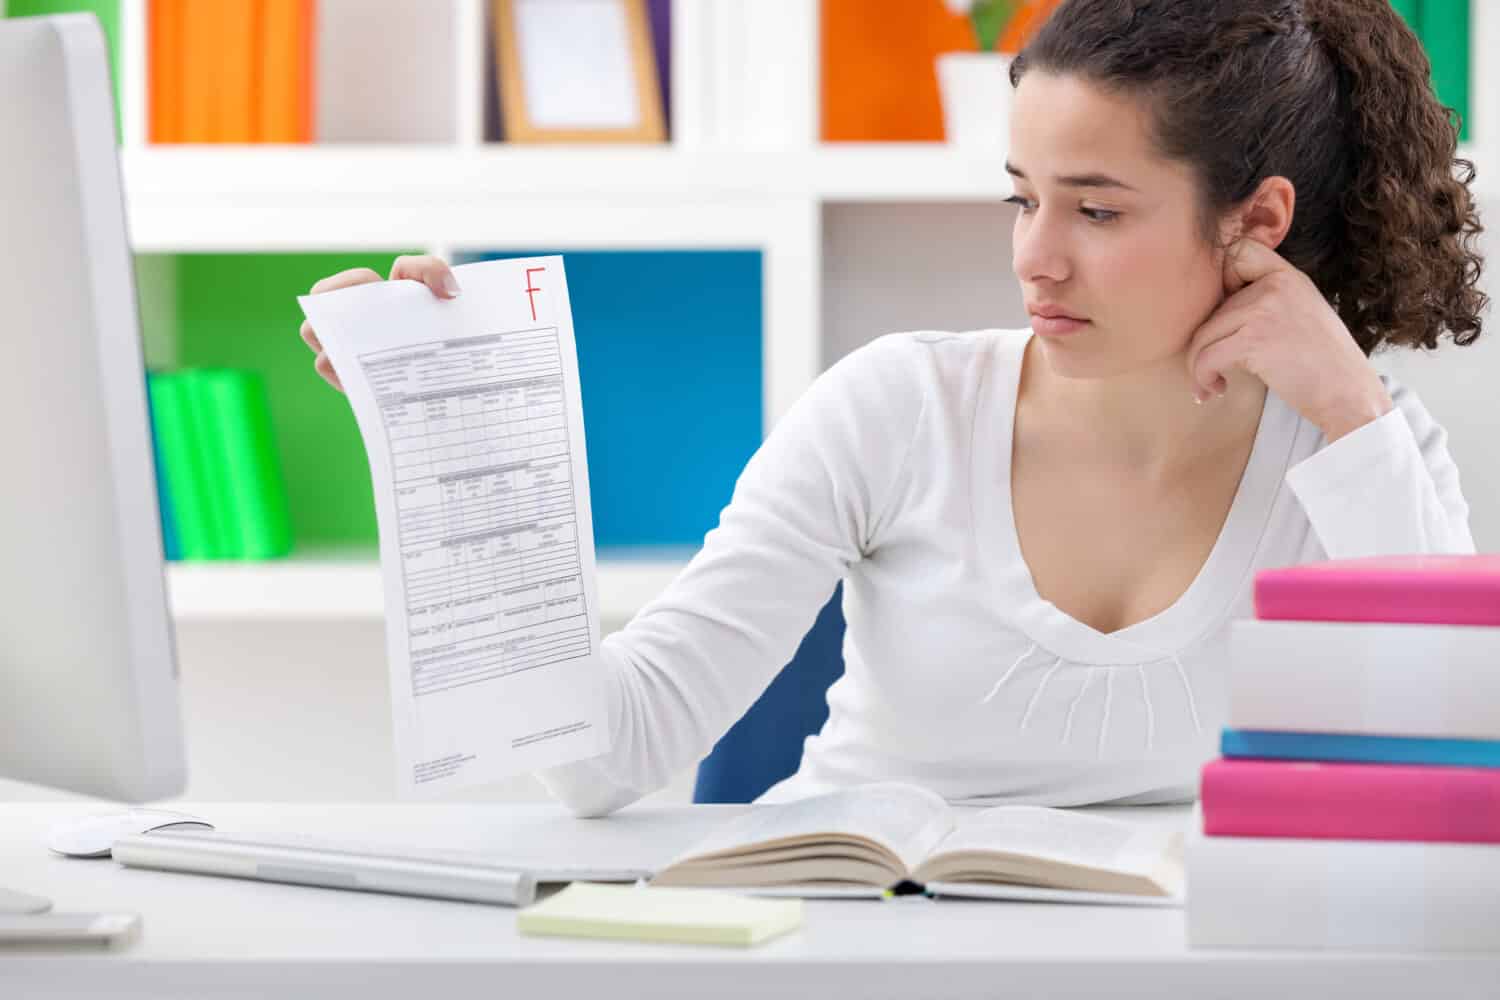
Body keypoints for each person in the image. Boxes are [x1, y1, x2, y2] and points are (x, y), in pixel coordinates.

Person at [299, 0, 1486, 818]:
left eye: (1098, 211)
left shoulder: (1360, 455)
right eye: (1023, 199)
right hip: (846, 951)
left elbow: (1455, 770)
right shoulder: (898, 407)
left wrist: (1347, 403)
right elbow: (606, 755)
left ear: (1256, 223)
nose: (1037, 260)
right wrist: (444, 439)